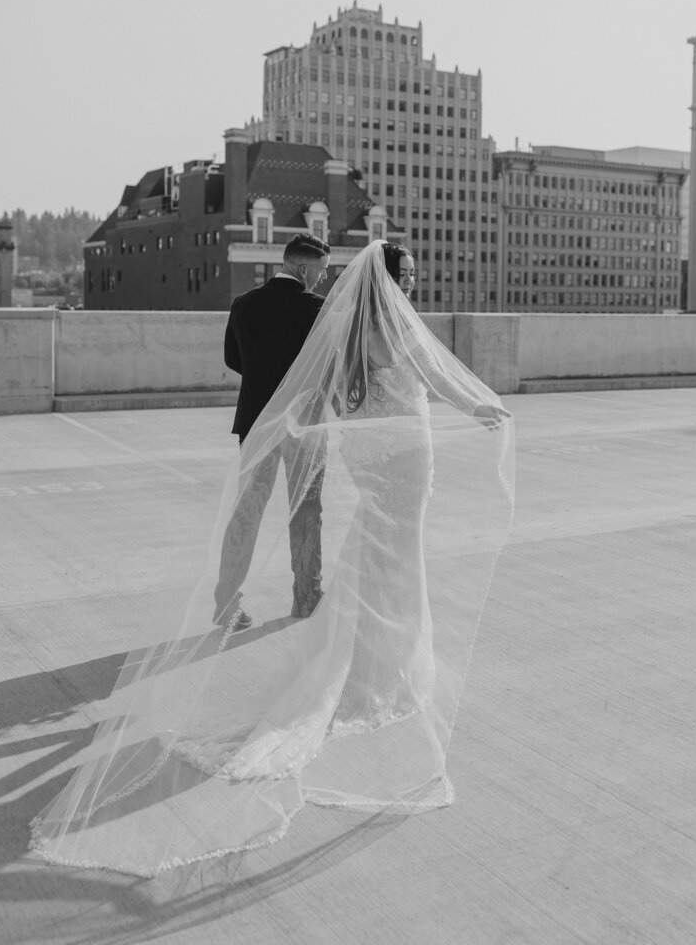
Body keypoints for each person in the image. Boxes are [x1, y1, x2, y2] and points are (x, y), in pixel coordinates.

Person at [30, 240, 514, 876]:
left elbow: (289, 376)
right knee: (360, 540)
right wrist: (483, 407)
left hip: (321, 441)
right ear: (386, 281)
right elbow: (437, 374)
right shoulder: (380, 322)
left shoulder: (329, 325)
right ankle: (351, 636)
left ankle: (255, 610)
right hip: (400, 454)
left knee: (321, 534)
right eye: (412, 277)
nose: (416, 286)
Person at [215, 233, 330, 627]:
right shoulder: (317, 308)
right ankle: (306, 597)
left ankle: (226, 605)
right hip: (304, 426)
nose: (323, 279)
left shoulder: (243, 304)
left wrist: (265, 381)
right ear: (303, 268)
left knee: (246, 514)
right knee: (306, 512)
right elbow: (325, 368)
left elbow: (234, 358)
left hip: (256, 423)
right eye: (321, 271)